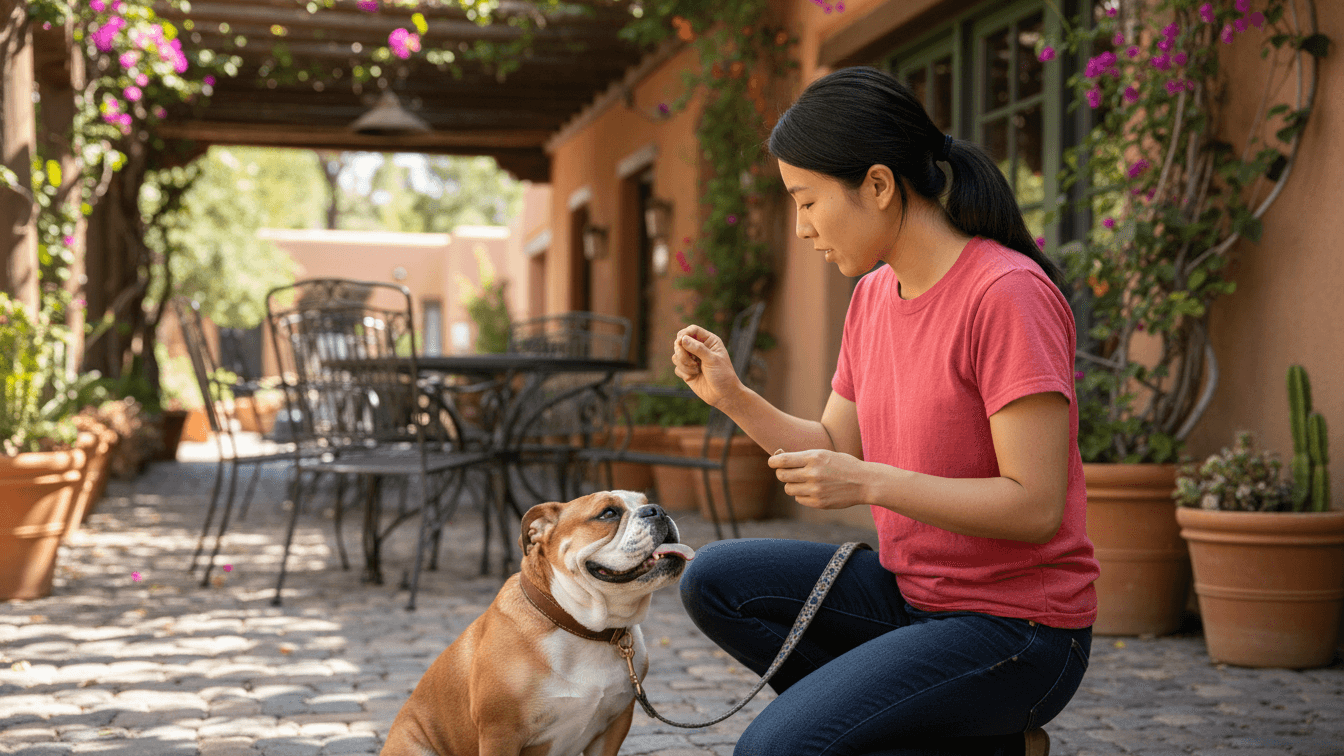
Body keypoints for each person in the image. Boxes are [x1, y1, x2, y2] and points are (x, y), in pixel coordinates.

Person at [672, 66, 1097, 756]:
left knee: (772, 753)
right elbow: (833, 440)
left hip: (1020, 629)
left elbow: (1035, 506)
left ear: (877, 184)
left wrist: (871, 483)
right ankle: (967, 742)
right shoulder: (873, 297)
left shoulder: (1006, 295)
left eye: (807, 202)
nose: (803, 228)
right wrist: (733, 397)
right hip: (909, 598)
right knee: (716, 581)